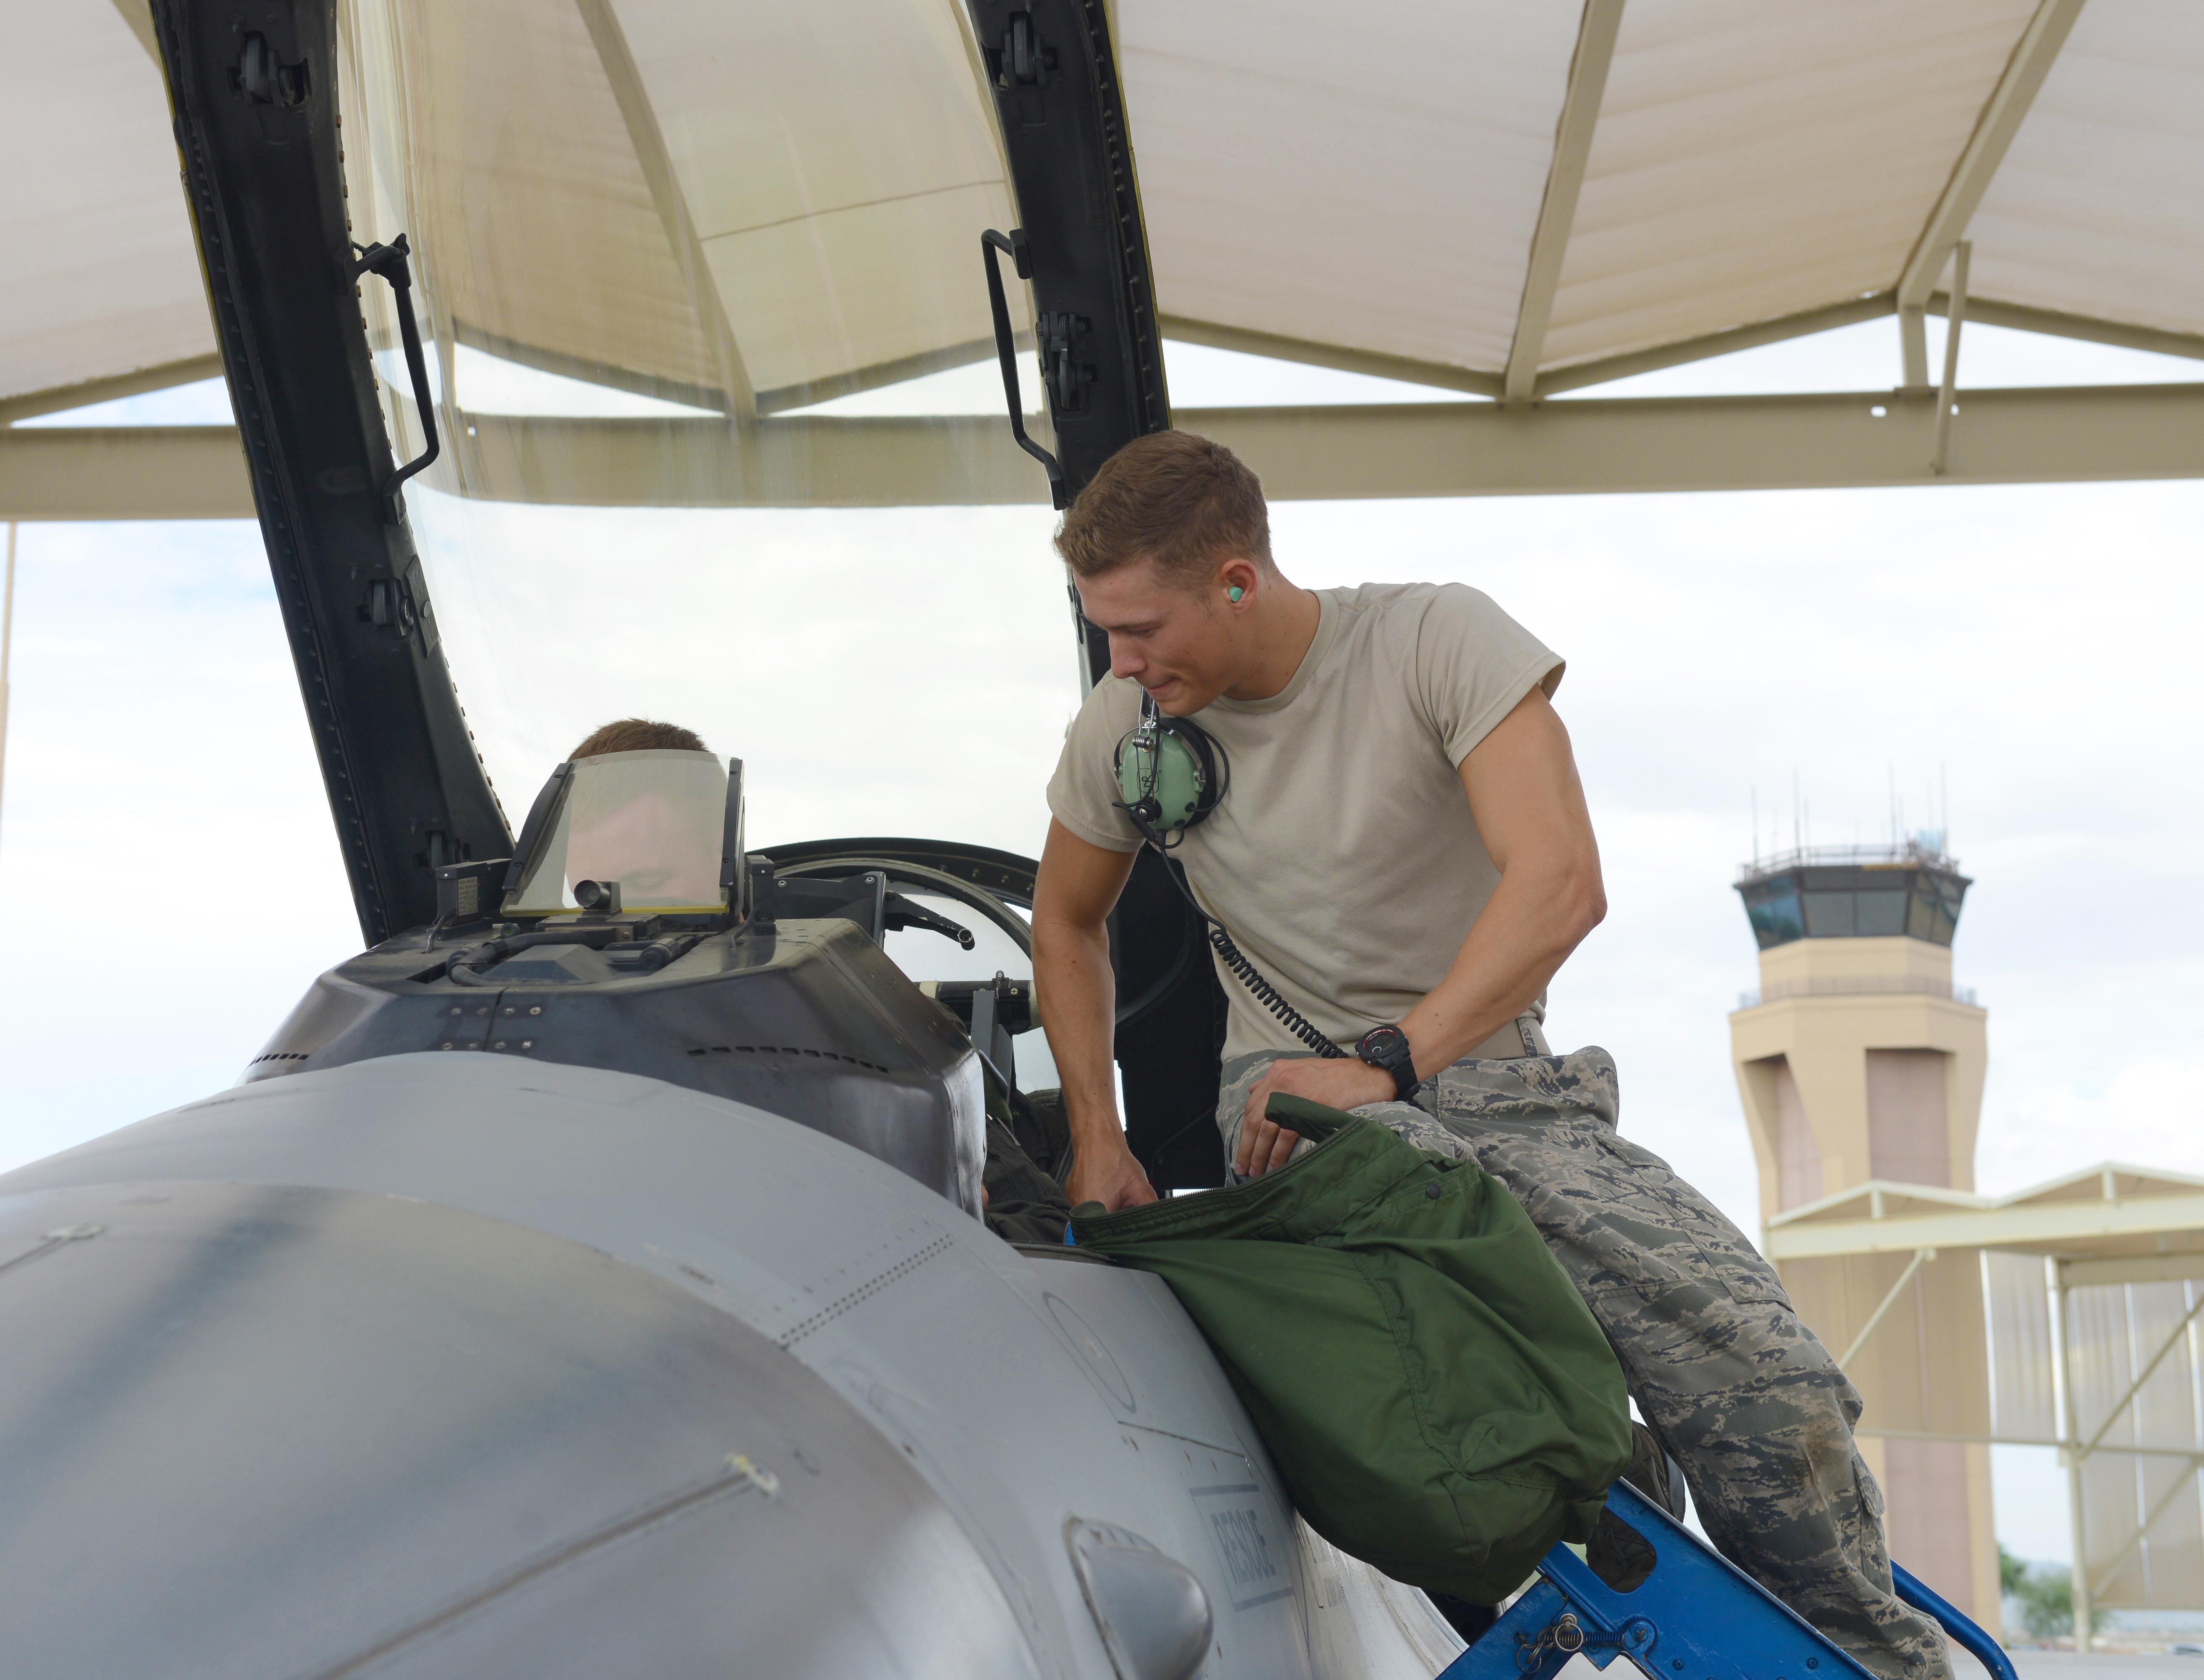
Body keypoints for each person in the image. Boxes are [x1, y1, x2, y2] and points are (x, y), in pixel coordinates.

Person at [1028, 431, 1949, 1680]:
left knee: (1775, 1393)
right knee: (1446, 1253)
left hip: (1508, 1094)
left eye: (1140, 631)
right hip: (1303, 1117)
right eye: (1105, 634)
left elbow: (1562, 880)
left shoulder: (1435, 642)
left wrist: (1396, 1058)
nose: (1122, 664)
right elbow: (1068, 923)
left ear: (1237, 580)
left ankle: (1877, 1664)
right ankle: (1600, 1474)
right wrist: (1099, 1130)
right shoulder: (1124, 731)